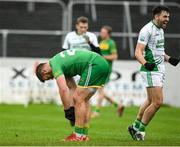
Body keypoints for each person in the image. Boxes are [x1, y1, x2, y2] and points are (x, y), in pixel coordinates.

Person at [128, 5, 180, 141]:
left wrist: (169, 58)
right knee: (158, 102)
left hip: (160, 68)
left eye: (168, 16)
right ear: (156, 16)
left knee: (151, 100)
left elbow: (158, 51)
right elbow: (137, 52)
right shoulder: (147, 30)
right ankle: (140, 131)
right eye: (164, 16)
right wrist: (146, 63)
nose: (167, 19)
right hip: (151, 70)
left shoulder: (160, 30)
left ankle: (135, 126)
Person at [35, 49, 110, 141]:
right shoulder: (61, 64)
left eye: (48, 78)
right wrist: (71, 108)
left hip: (94, 65)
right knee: (83, 100)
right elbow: (72, 88)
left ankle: (77, 136)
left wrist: (67, 110)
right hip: (101, 64)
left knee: (78, 99)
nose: (52, 78)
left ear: (44, 71)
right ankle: (83, 135)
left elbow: (63, 89)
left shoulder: (55, 65)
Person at [92, 26, 124, 117]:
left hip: (106, 69)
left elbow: (115, 56)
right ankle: (118, 105)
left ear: (108, 34)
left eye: (103, 32)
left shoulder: (111, 43)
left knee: (100, 90)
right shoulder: (101, 42)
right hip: (100, 68)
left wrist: (104, 57)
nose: (101, 33)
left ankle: (97, 111)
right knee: (100, 90)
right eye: (101, 32)